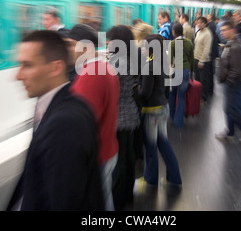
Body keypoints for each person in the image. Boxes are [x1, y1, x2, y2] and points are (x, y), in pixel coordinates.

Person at [7, 30, 104, 211]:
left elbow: (63, 201)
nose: (18, 75)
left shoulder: (65, 124)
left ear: (56, 68)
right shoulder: (54, 105)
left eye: (27, 65)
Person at [68, 24, 120, 211]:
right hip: (108, 148)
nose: (67, 49)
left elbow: (81, 127)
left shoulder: (90, 75)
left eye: (70, 44)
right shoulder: (104, 67)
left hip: (98, 156)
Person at [135, 34, 182, 190]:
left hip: (152, 111)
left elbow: (145, 94)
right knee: (164, 143)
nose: (142, 49)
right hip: (163, 108)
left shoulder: (150, 65)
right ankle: (174, 178)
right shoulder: (162, 62)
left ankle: (150, 180)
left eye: (144, 46)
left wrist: (136, 87)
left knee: (150, 147)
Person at [107, 25, 140, 211]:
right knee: (128, 157)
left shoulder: (116, 62)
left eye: (111, 39)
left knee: (118, 161)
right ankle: (127, 194)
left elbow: (111, 89)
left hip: (119, 116)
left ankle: (117, 199)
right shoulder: (130, 58)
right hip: (130, 113)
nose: (108, 43)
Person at [168, 23, 194, 128]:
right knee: (182, 96)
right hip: (186, 71)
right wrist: (191, 73)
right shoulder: (189, 43)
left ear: (174, 32)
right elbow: (191, 59)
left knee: (172, 94)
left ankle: (172, 116)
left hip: (176, 71)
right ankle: (179, 122)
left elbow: (170, 61)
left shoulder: (172, 44)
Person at [193, 16, 213, 103]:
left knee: (203, 80)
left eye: (201, 22)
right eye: (198, 22)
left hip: (203, 61)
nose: (199, 24)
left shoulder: (207, 34)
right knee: (197, 79)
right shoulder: (198, 32)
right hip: (196, 58)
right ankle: (197, 95)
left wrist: (201, 61)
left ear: (205, 24)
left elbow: (206, 49)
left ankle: (203, 97)